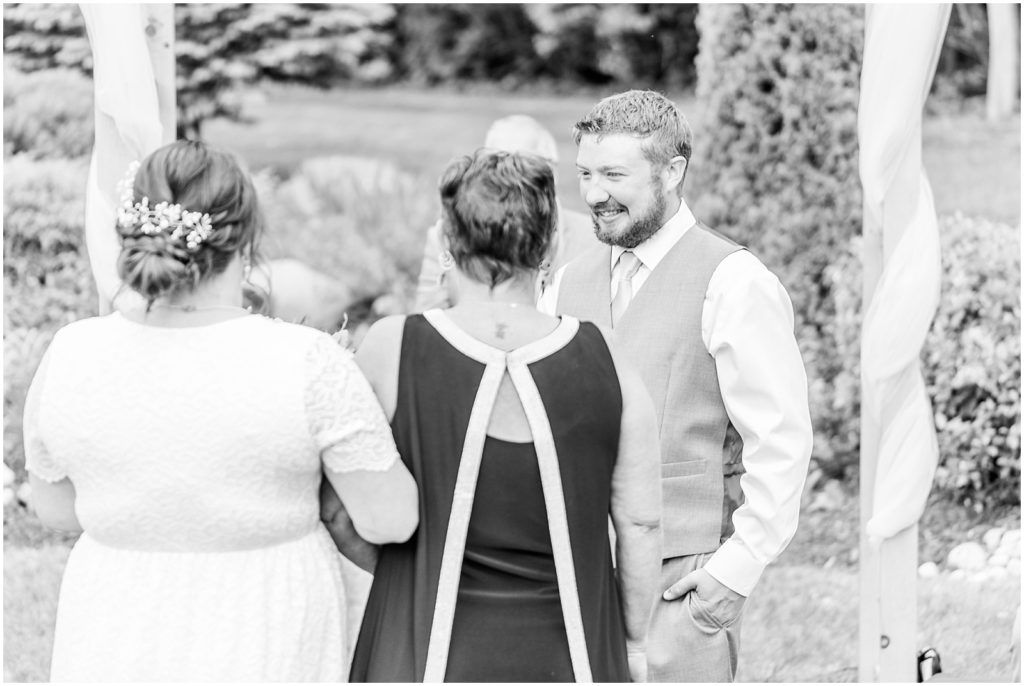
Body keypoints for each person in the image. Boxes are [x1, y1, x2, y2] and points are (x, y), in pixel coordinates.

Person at [23, 140, 419, 682]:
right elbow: (390, 518)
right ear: (246, 243)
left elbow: (57, 508)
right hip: (264, 626)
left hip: (114, 623)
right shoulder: (306, 361)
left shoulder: (71, 352)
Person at [346, 150, 663, 682]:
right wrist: (631, 643)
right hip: (572, 655)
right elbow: (640, 522)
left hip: (422, 648)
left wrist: (410, 581)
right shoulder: (605, 356)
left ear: (447, 240)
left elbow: (341, 506)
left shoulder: (392, 347)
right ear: (552, 245)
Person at [539, 90, 814, 682]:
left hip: (681, 581)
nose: (593, 194)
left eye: (615, 174)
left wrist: (733, 572)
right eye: (585, 172)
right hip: (575, 573)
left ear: (673, 171)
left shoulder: (734, 282)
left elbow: (781, 440)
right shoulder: (565, 284)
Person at [413, 114, 596, 311]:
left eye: (522, 167)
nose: (507, 179)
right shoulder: (450, 235)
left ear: (552, 172)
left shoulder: (594, 239)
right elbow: (429, 315)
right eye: (496, 167)